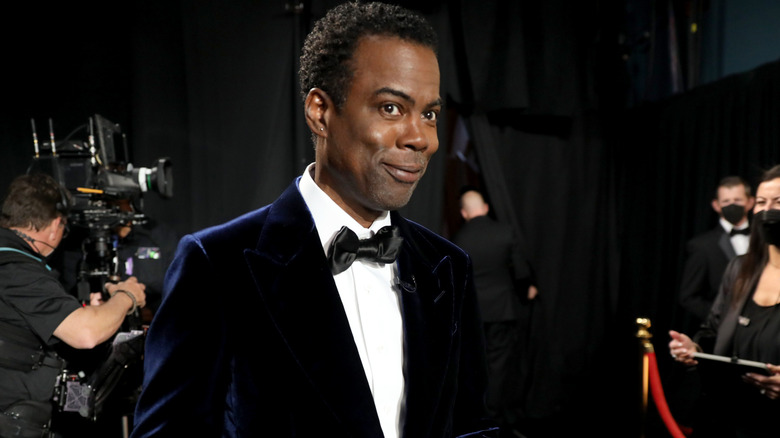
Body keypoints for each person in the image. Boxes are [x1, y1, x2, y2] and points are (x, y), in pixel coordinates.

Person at [131, 3, 491, 438]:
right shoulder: (217, 264)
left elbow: (471, 425)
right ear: (320, 111)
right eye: (392, 108)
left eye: (429, 114)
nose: (420, 138)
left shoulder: (448, 268)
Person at [0, 173, 146, 437]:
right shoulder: (16, 269)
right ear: (57, 224)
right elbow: (86, 334)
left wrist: (90, 311)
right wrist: (127, 296)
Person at [669, 164, 780, 437]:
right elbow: (712, 331)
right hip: (726, 416)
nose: (768, 210)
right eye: (763, 202)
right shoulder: (740, 269)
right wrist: (692, 348)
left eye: (778, 201)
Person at [452, 188, 535, 432]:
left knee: (476, 366)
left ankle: (479, 416)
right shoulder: (505, 232)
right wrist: (528, 288)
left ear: (464, 213)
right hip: (502, 311)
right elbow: (520, 271)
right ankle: (495, 417)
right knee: (500, 367)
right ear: (486, 208)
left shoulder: (458, 239)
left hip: (472, 315)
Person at [678, 176, 754, 331]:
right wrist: (721, 319)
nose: (732, 205)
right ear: (716, 205)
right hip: (722, 332)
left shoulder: (765, 240)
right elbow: (689, 297)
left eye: (737, 200)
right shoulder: (702, 246)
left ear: (750, 202)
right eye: (726, 201)